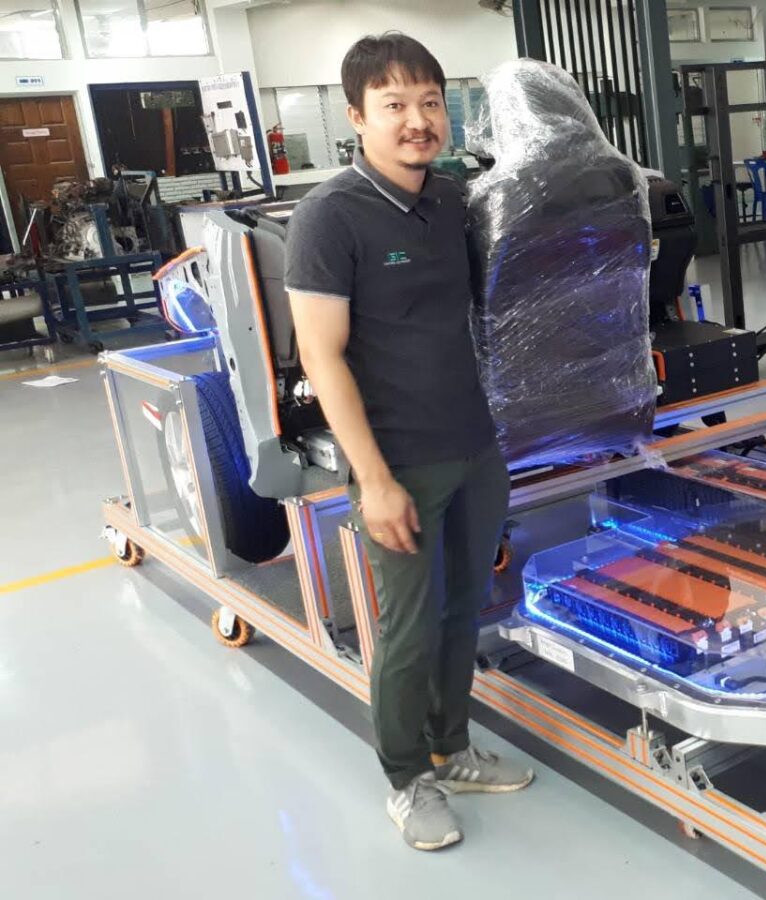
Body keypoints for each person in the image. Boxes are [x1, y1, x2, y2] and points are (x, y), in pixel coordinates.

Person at [285, 32, 533, 852]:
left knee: (465, 609)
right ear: (356, 117)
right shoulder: (329, 217)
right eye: (394, 104)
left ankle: (450, 748)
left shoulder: (453, 200)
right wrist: (375, 479)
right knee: (408, 628)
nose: (417, 120)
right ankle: (405, 778)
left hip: (475, 445)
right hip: (399, 460)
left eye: (430, 102)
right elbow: (321, 356)